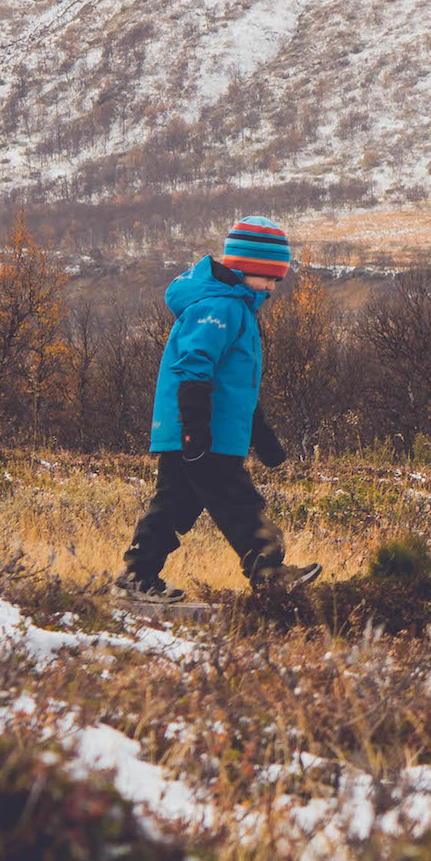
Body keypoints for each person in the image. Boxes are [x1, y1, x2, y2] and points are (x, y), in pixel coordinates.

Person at [113, 217, 318, 602]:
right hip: (201, 433)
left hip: (200, 431)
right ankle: (271, 576)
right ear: (245, 268)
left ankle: (137, 577)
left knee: (174, 504)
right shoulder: (221, 308)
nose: (274, 287)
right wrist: (194, 426)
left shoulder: (234, 307)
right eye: (270, 277)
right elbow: (194, 366)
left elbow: (234, 387)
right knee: (240, 503)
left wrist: (262, 434)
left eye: (278, 279)